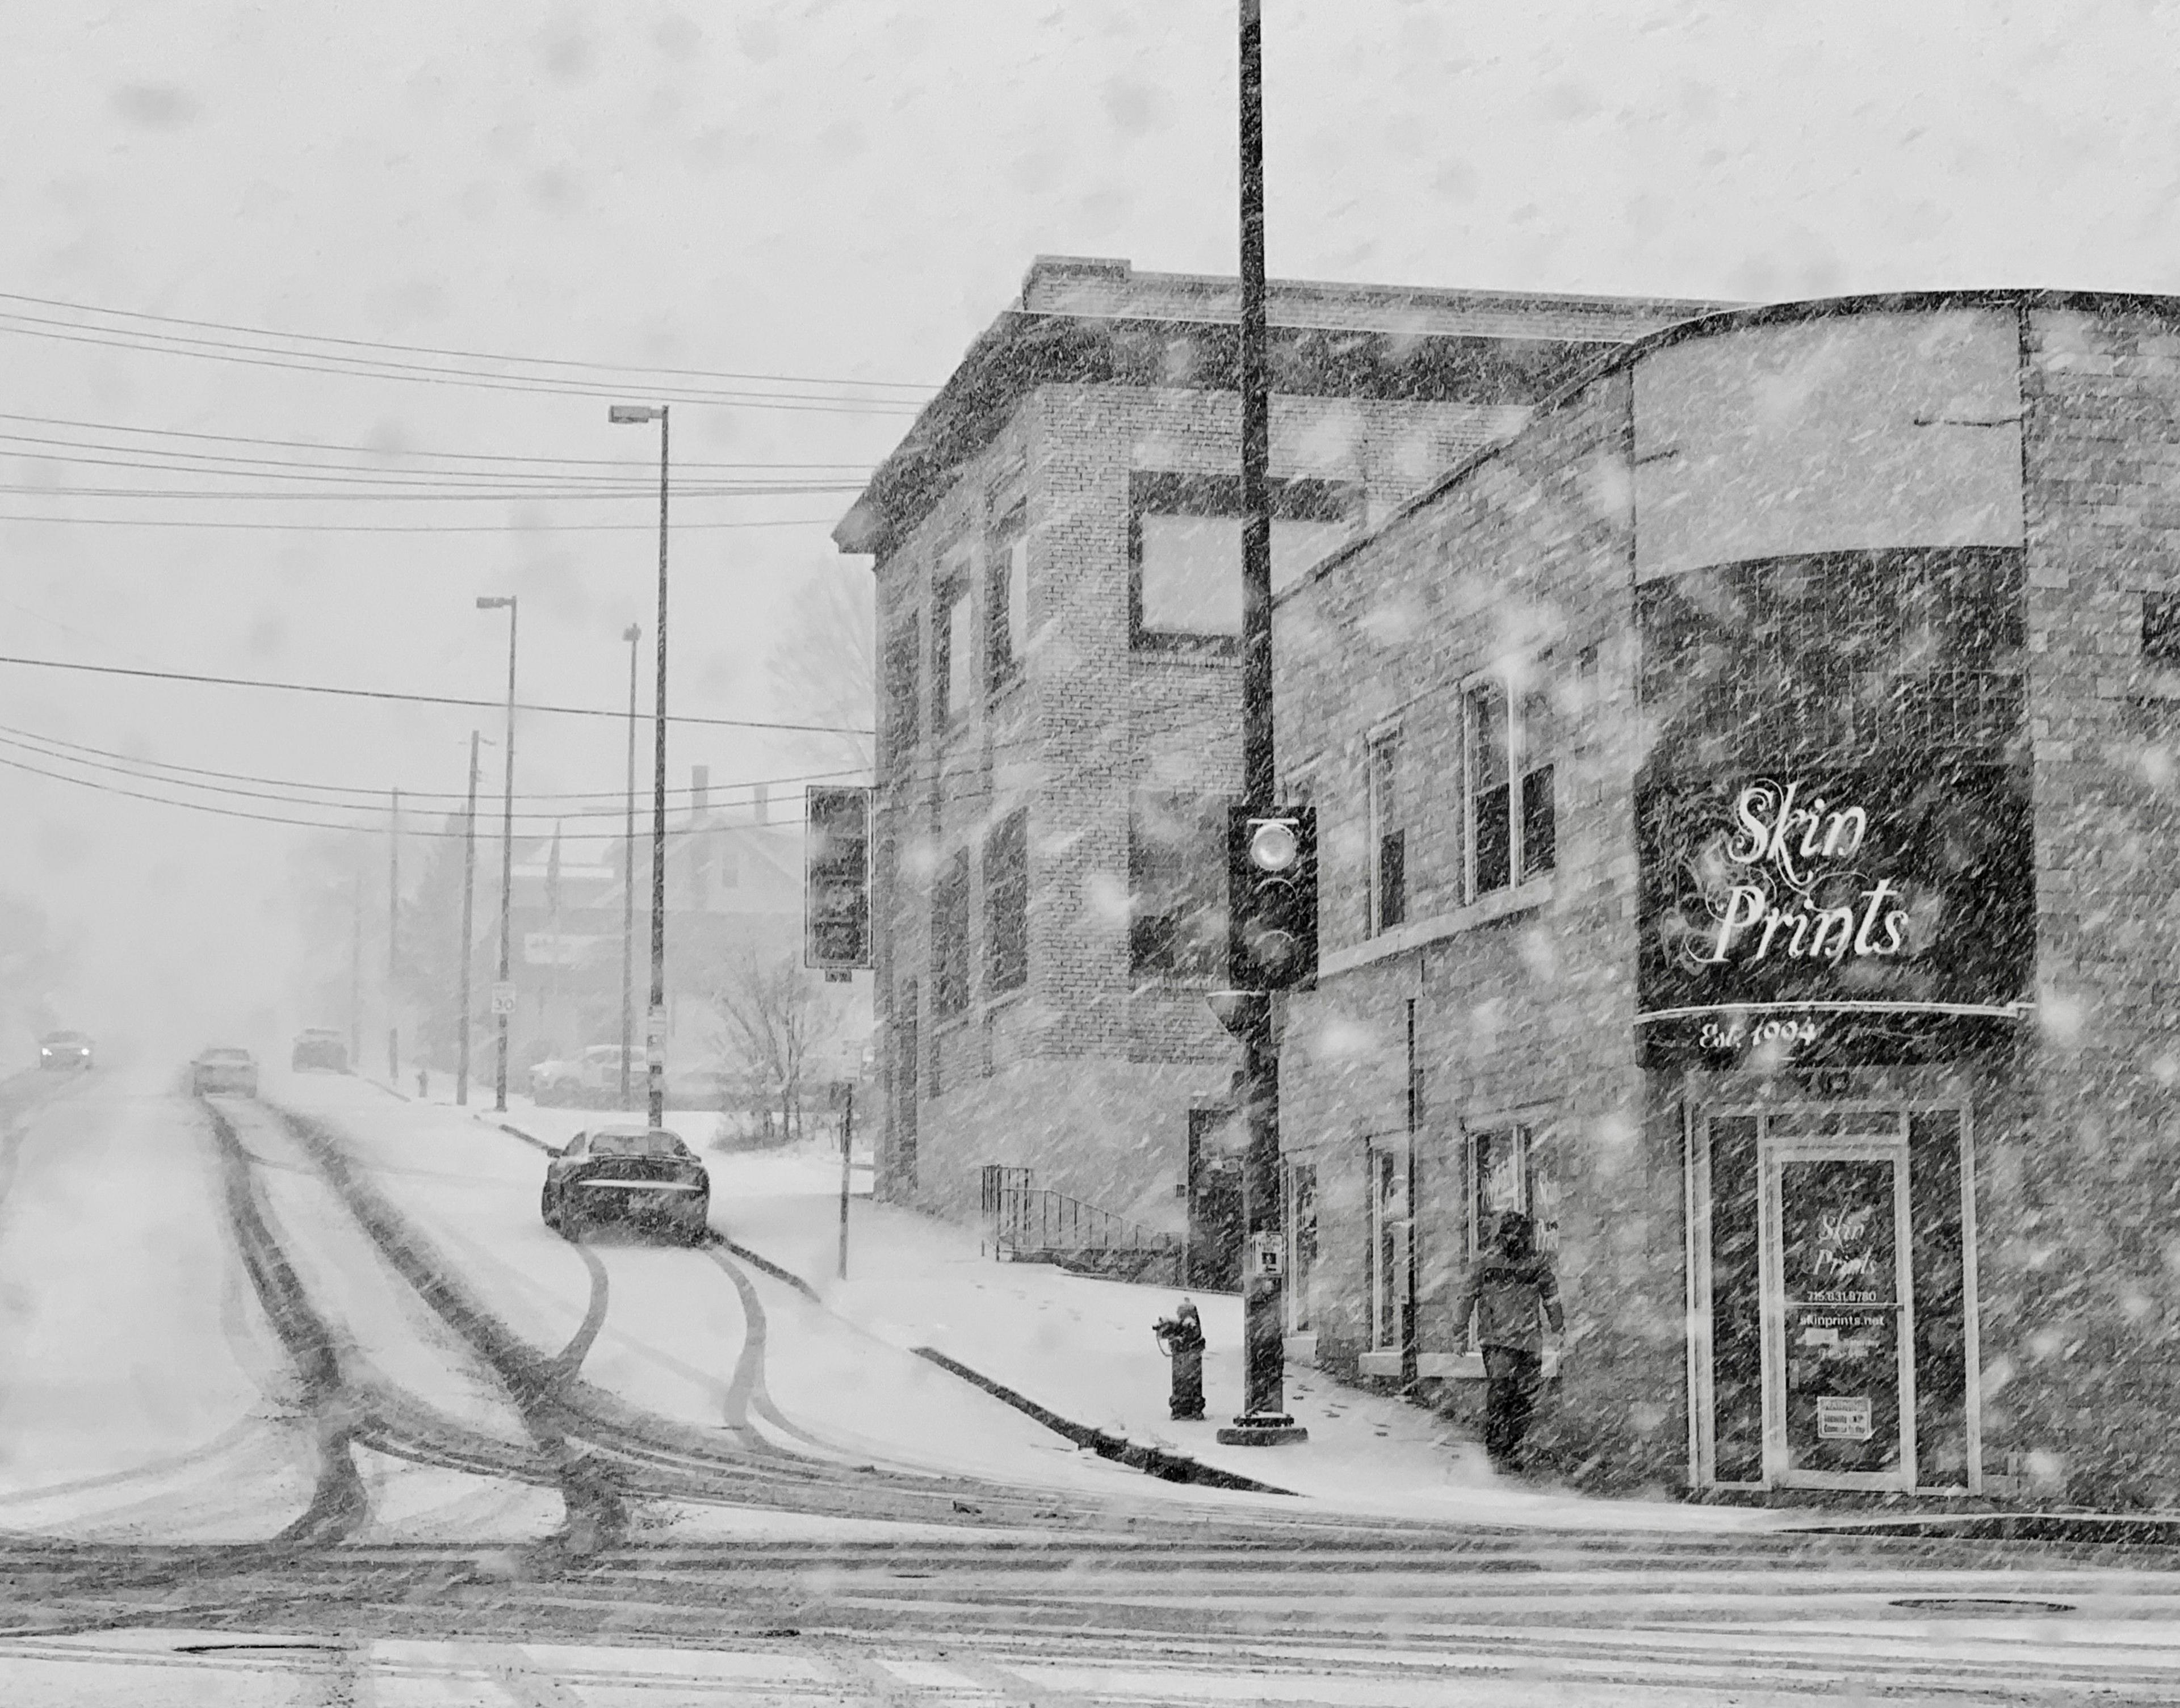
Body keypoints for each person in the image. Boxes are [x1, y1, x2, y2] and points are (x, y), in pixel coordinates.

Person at [1450, 1211, 1564, 1472]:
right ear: (1501, 1237)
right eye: (1510, 1235)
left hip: (1526, 1342)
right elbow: (1466, 1298)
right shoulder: (1487, 1264)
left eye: (1519, 1236)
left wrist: (1558, 1328)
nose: (1515, 1240)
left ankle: (1511, 1447)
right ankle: (1499, 1448)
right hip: (1499, 1342)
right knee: (1503, 1393)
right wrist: (1459, 1333)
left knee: (1523, 1398)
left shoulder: (1535, 1265)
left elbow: (1551, 1297)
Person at [1152, 1298, 1206, 1421]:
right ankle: (1184, 1406)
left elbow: (1192, 1332)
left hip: (1190, 1357)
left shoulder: (1191, 1328)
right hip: (1187, 1357)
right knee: (1186, 1382)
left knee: (1188, 1381)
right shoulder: (1184, 1328)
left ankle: (1189, 1406)